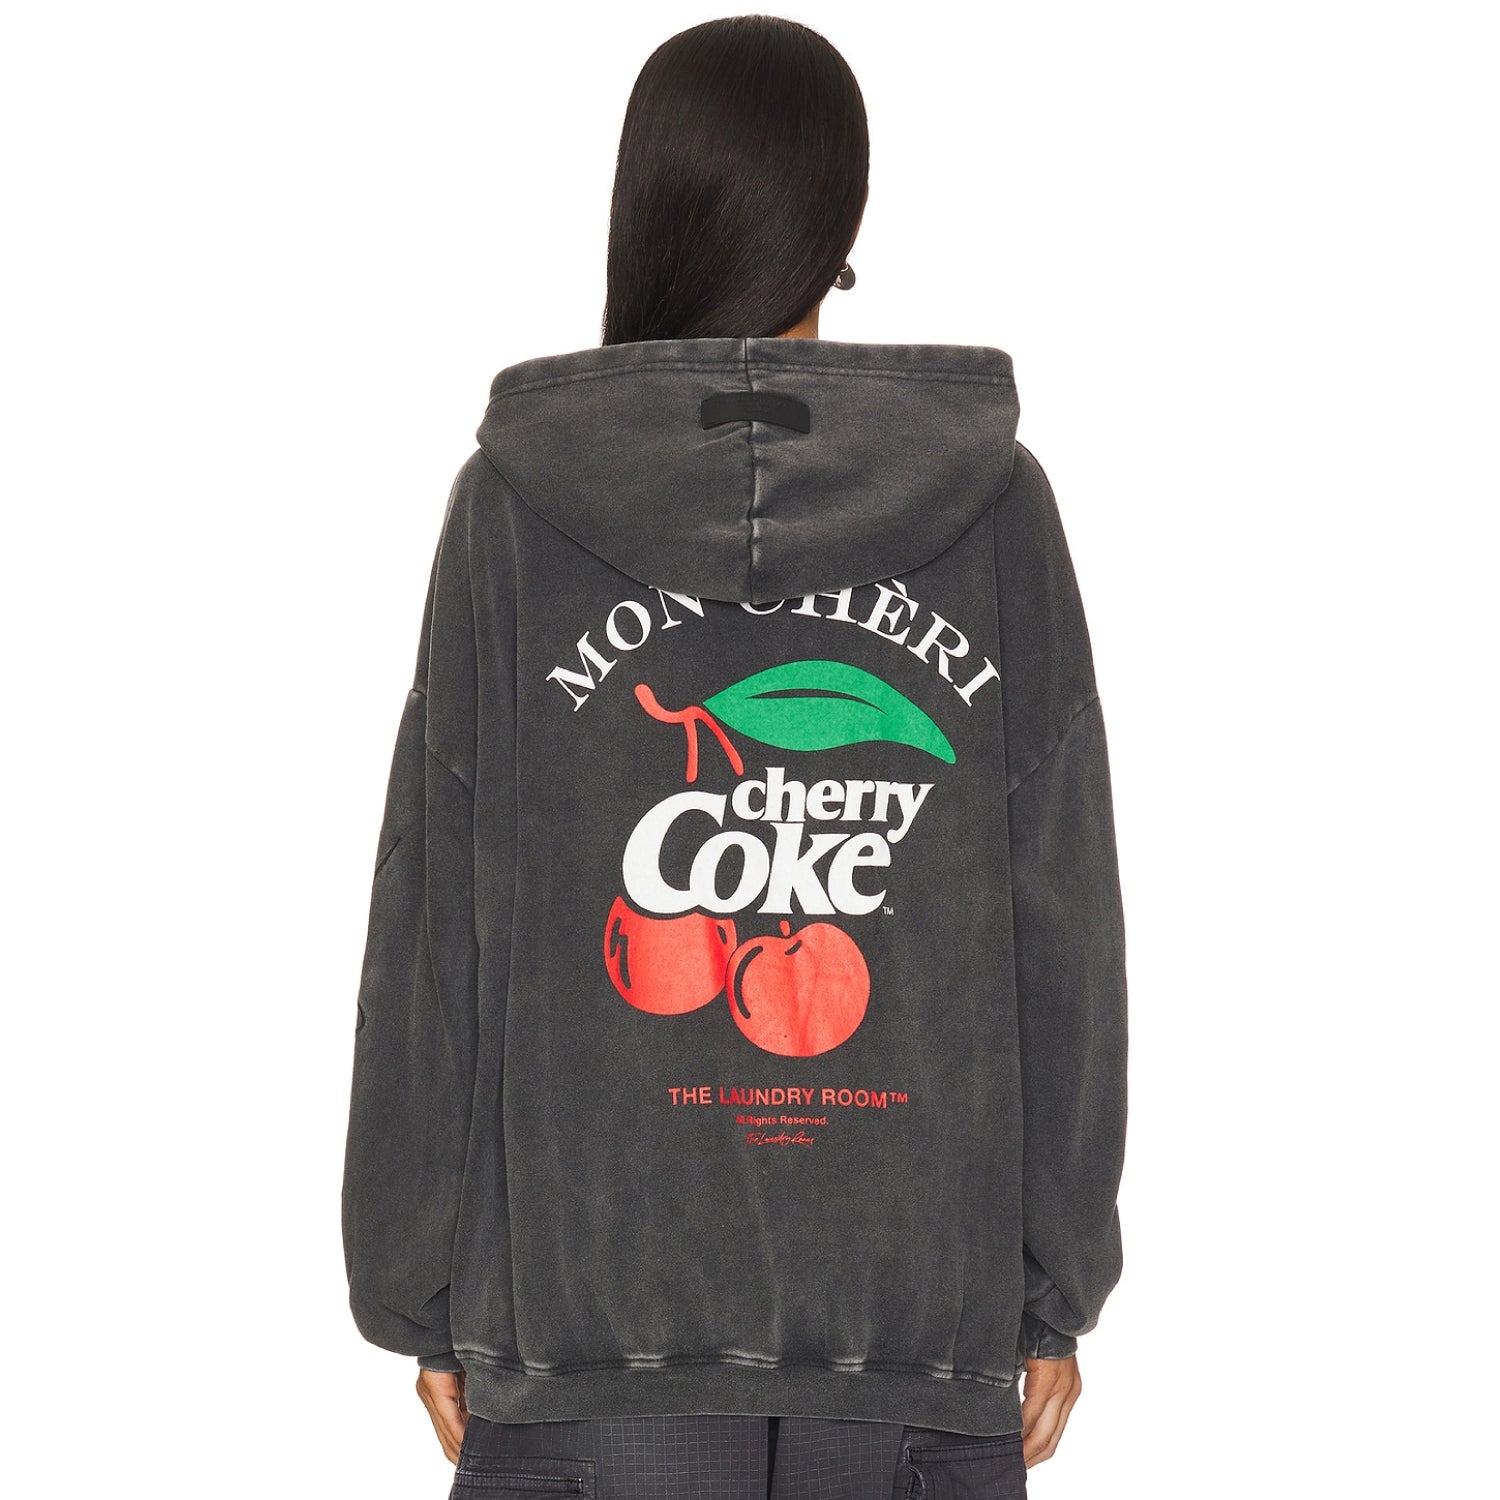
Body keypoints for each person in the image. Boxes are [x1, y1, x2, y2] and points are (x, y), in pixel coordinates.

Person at [341, 15, 1129, 1498]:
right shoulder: (992, 503)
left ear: (645, 210)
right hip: (917, 1331)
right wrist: (1053, 1283)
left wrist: (416, 1286)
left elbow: (434, 913)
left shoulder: (515, 509)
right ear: (841, 225)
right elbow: (1063, 918)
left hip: (583, 1334)